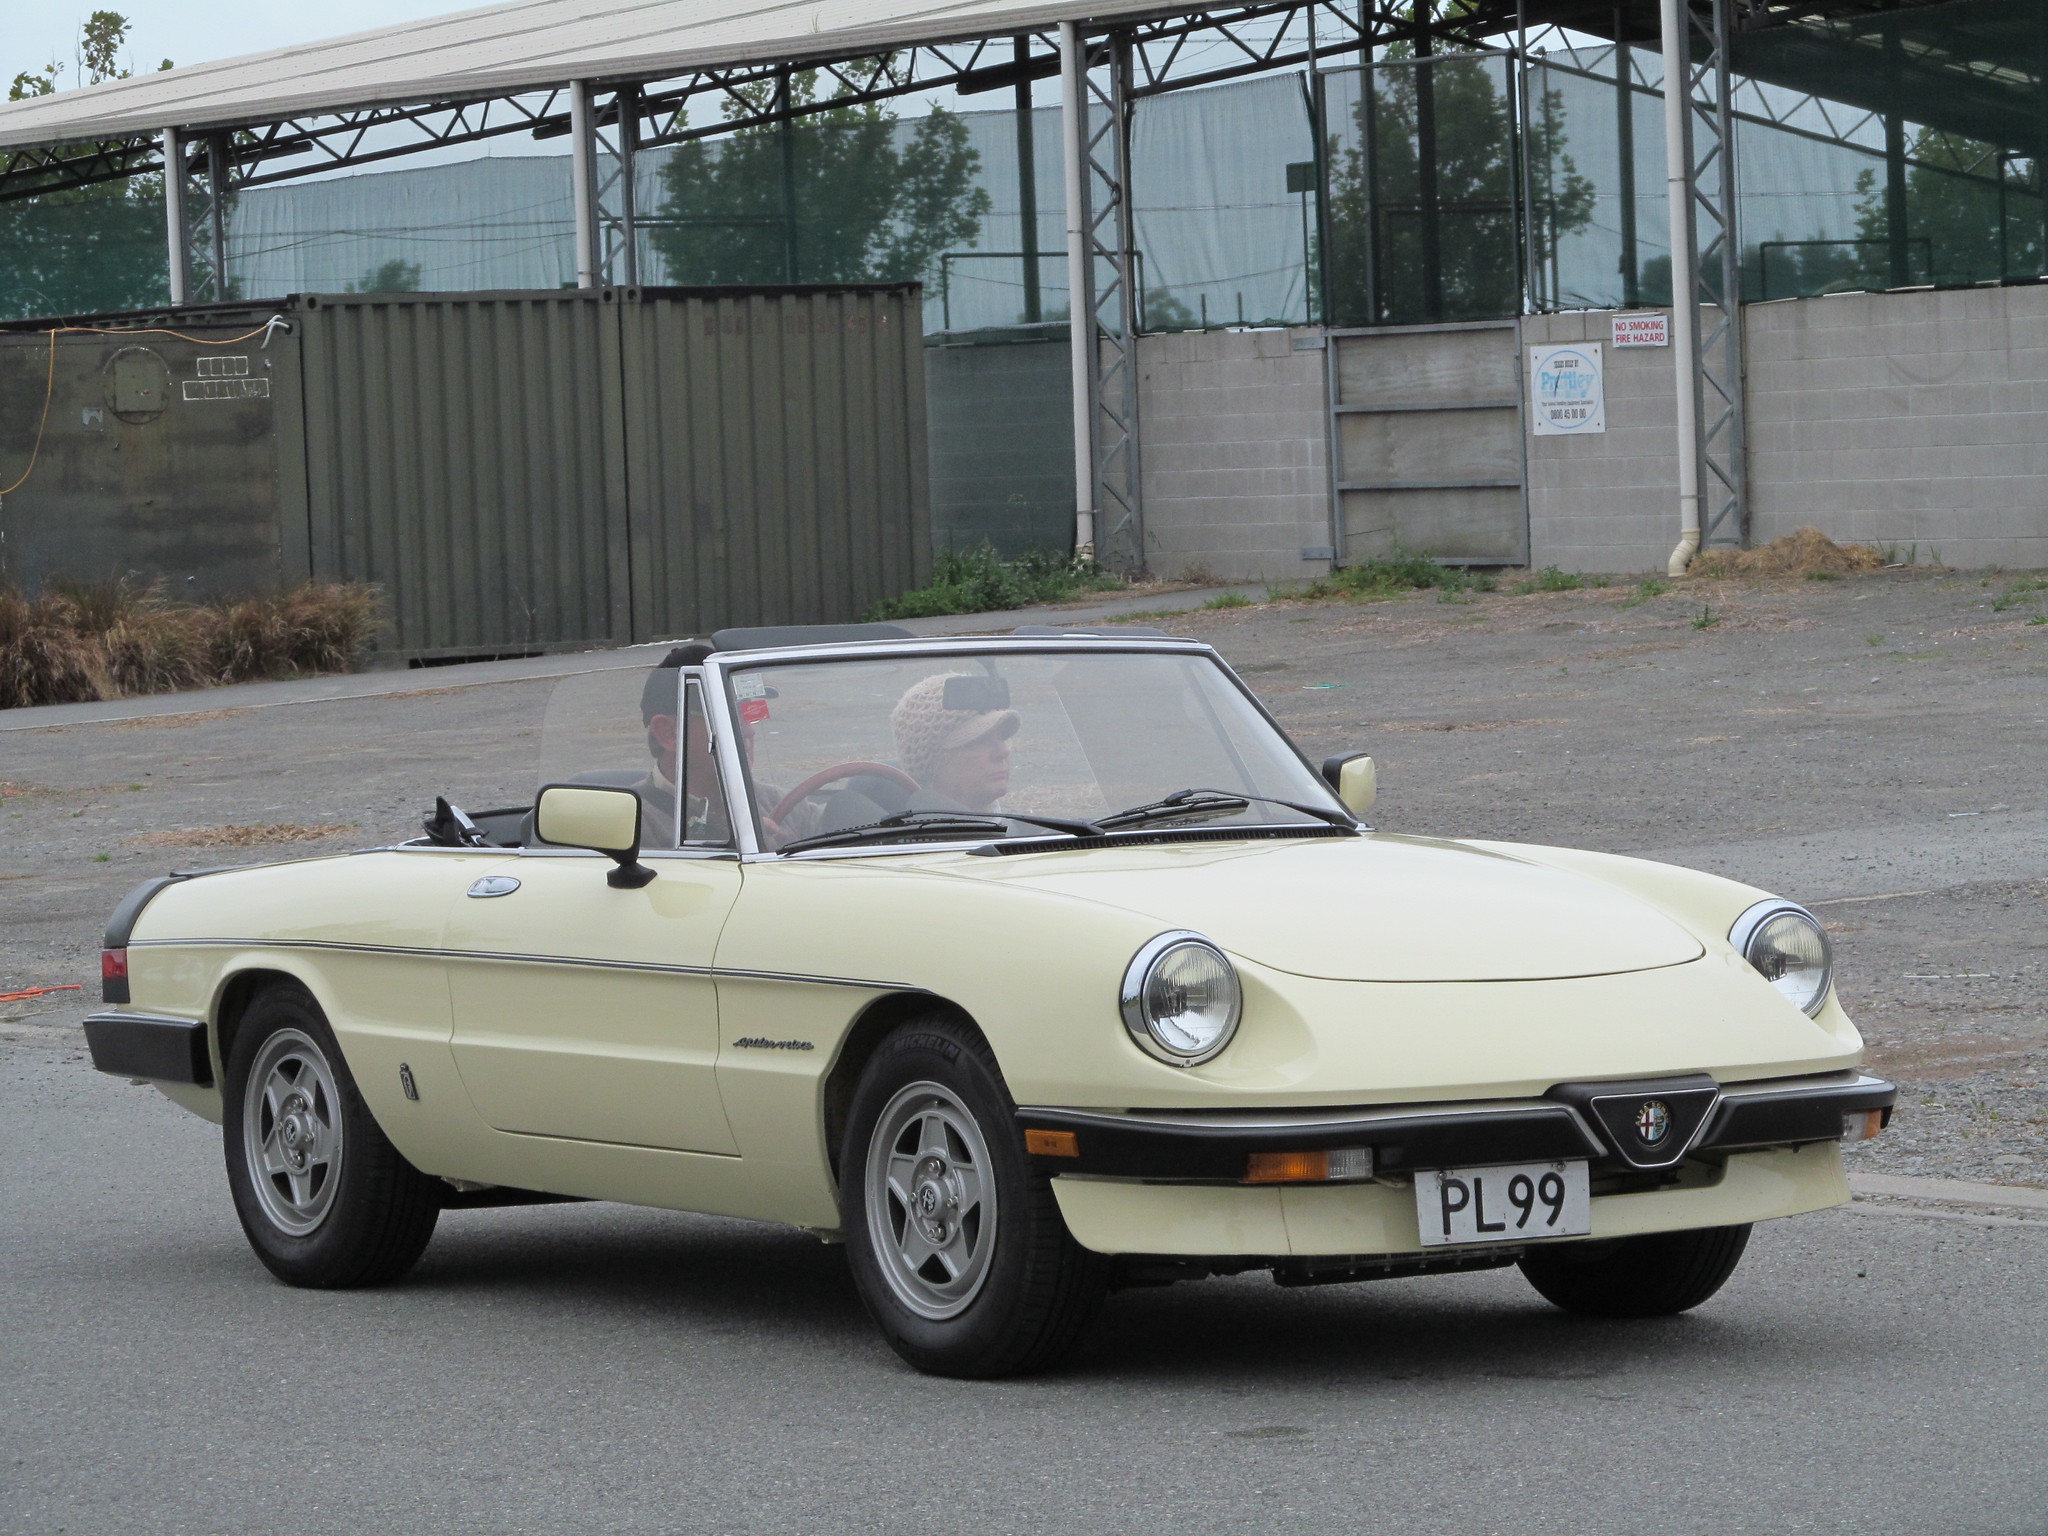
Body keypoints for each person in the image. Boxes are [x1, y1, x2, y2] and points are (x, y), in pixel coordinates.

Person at [889, 672, 1020, 814]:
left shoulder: (1017, 830)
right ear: (933, 763)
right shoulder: (919, 835)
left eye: (1002, 736)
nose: (1003, 751)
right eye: (979, 740)